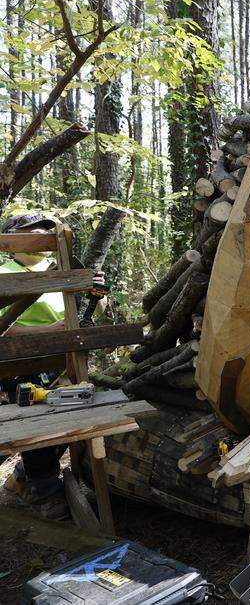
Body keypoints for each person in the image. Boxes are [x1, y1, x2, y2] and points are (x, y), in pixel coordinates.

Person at [0, 213, 105, 519]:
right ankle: (43, 489)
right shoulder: (4, 271)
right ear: (11, 239)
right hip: (17, 363)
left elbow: (93, 311)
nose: (39, 236)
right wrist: (51, 331)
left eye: (44, 231)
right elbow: (4, 329)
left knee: (81, 407)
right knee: (39, 413)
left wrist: (97, 292)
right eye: (31, 231)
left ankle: (24, 475)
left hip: (63, 359)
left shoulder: (59, 268)